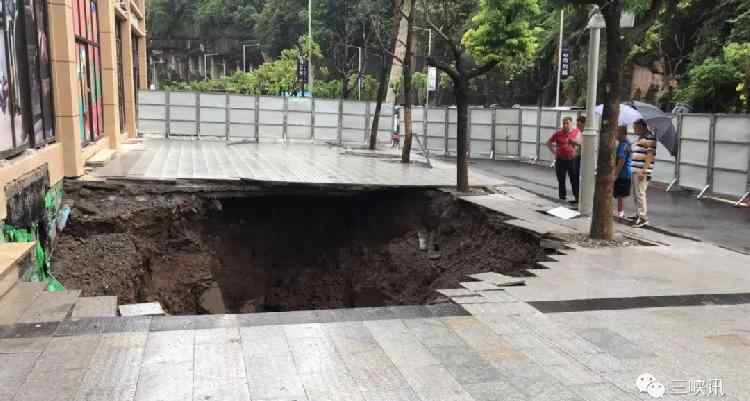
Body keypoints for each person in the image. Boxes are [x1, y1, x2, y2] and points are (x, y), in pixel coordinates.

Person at [629, 119, 657, 228]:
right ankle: (638, 214)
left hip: (641, 170)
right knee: (636, 194)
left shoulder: (650, 137)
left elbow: (650, 154)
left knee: (640, 193)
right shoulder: (641, 137)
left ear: (642, 126)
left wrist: (644, 170)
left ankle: (643, 217)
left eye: (635, 127)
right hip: (636, 169)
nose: (634, 129)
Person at [546, 117, 579, 204]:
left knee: (574, 179)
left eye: (567, 123)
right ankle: (562, 198)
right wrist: (555, 152)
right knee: (561, 180)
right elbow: (548, 143)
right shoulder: (558, 134)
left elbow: (581, 144)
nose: (565, 125)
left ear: (571, 123)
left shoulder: (576, 132)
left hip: (572, 159)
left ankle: (577, 197)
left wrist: (574, 144)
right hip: (561, 160)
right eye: (564, 123)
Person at [613, 126, 632, 218]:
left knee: (620, 195)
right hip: (623, 173)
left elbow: (621, 160)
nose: (615, 134)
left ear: (621, 133)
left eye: (616, 132)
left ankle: (620, 213)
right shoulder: (622, 143)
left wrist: (615, 174)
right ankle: (620, 212)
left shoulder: (624, 144)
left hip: (623, 173)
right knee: (618, 194)